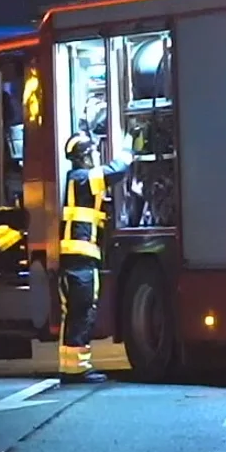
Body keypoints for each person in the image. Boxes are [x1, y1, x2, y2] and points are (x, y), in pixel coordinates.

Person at [58, 131, 133, 382]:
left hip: (77, 259)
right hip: (80, 260)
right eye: (92, 152)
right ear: (84, 156)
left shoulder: (77, 180)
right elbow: (116, 171)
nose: (95, 156)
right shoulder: (81, 179)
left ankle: (71, 367)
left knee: (76, 313)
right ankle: (77, 368)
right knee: (82, 312)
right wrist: (127, 149)